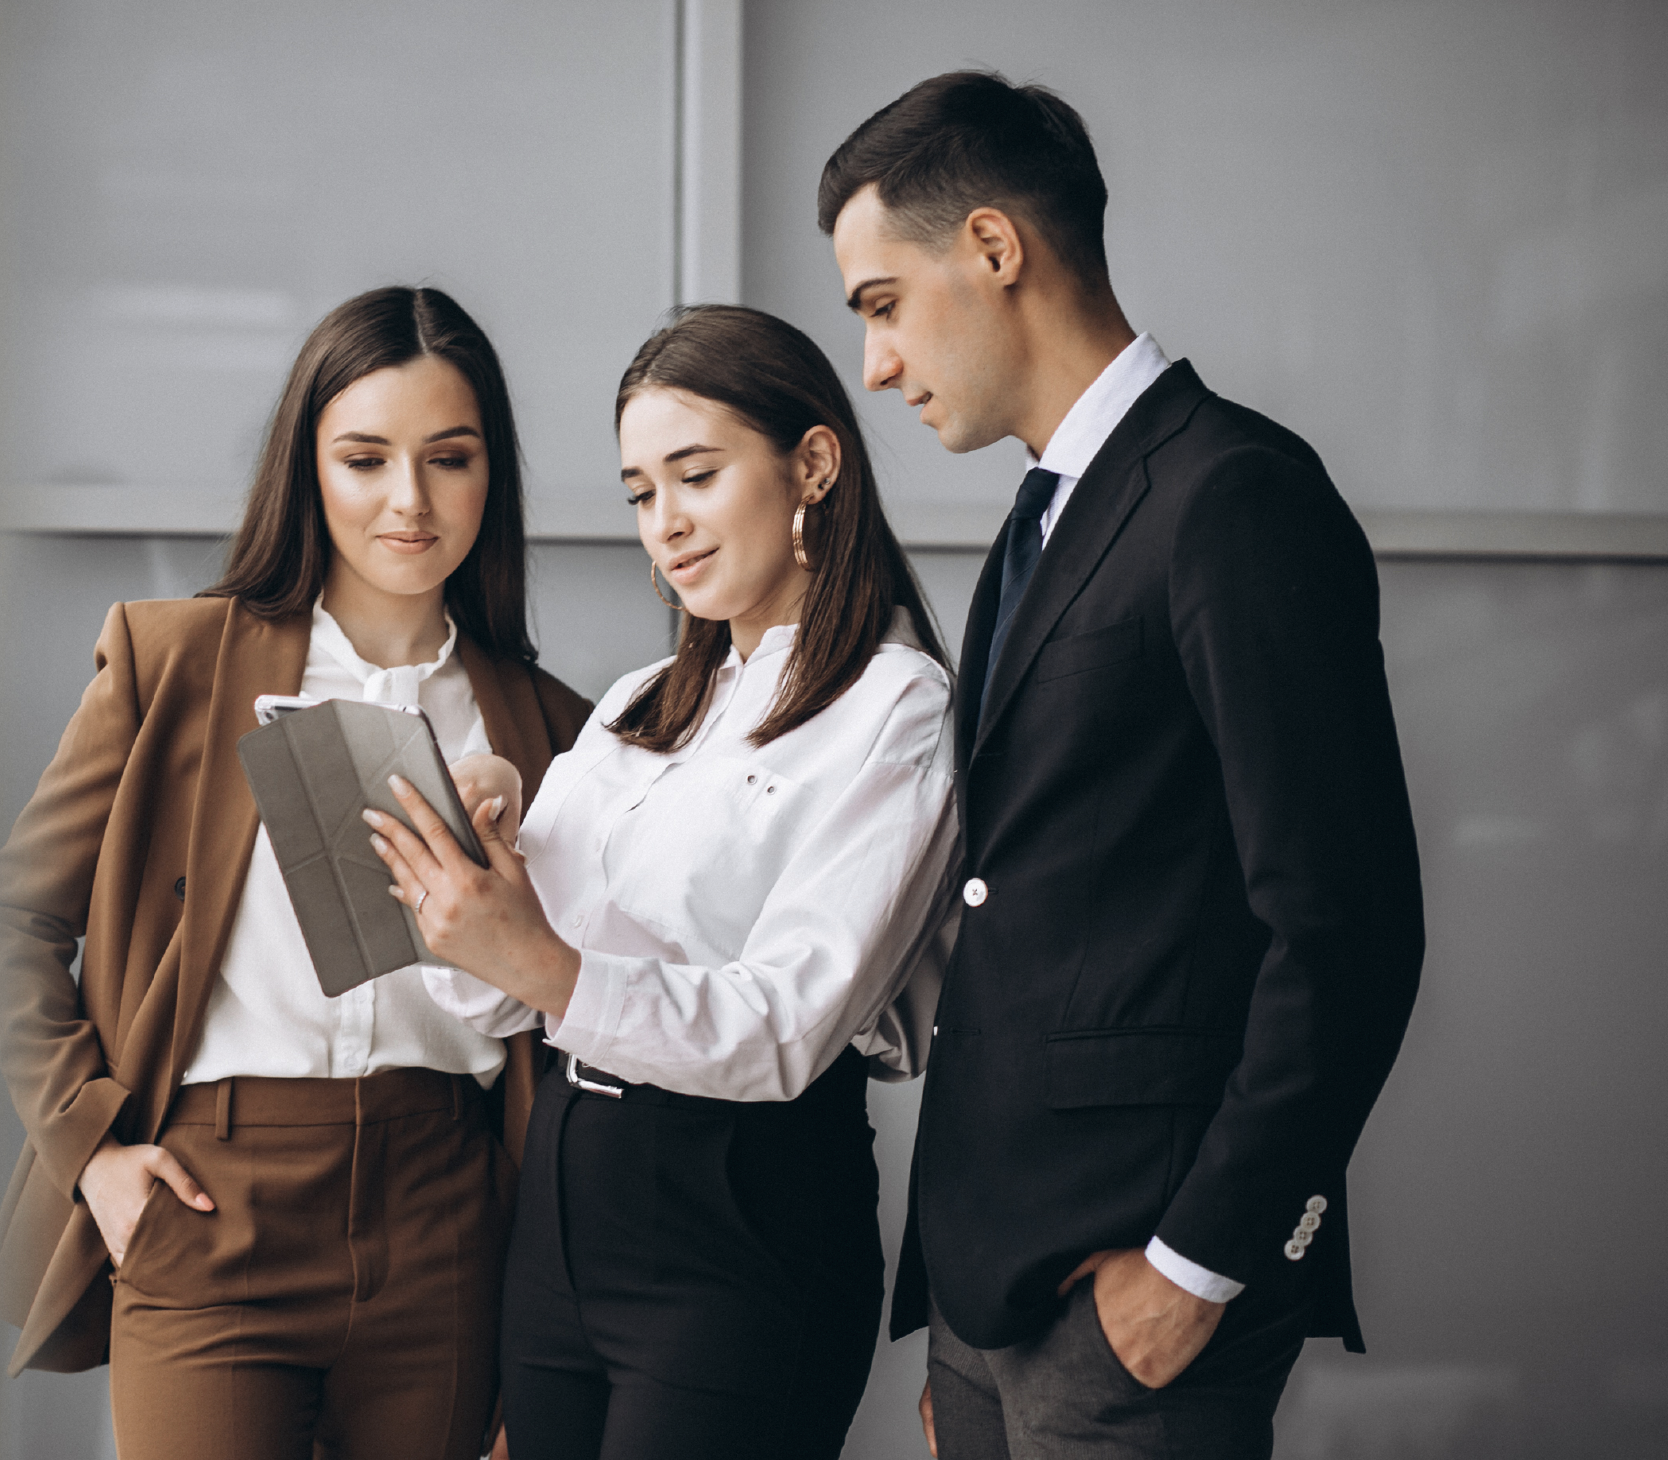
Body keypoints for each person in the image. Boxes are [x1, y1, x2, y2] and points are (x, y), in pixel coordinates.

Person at [819, 71, 1426, 1459]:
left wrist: (1201, 1265)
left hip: (1143, 1292)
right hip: (993, 1292)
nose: (878, 368)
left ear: (991, 247)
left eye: (880, 305)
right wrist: (964, 1318)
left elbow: (1350, 932)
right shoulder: (1046, 520)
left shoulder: (1232, 498)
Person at [361, 303, 960, 1460]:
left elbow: (784, 1027)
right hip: (566, 1196)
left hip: (741, 1211)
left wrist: (535, 953)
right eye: (641, 492)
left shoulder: (895, 707)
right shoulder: (640, 702)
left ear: (814, 465)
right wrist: (474, 868)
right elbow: (505, 1000)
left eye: (695, 476)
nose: (665, 526)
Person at [0, 285, 589, 1460]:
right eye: (365, 457)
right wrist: (95, 1151)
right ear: (307, 466)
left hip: (449, 1215)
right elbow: (18, 917)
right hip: (212, 1201)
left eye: (449, 457)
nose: (409, 500)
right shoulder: (174, 662)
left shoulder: (555, 727)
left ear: (493, 476)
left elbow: (572, 1016)